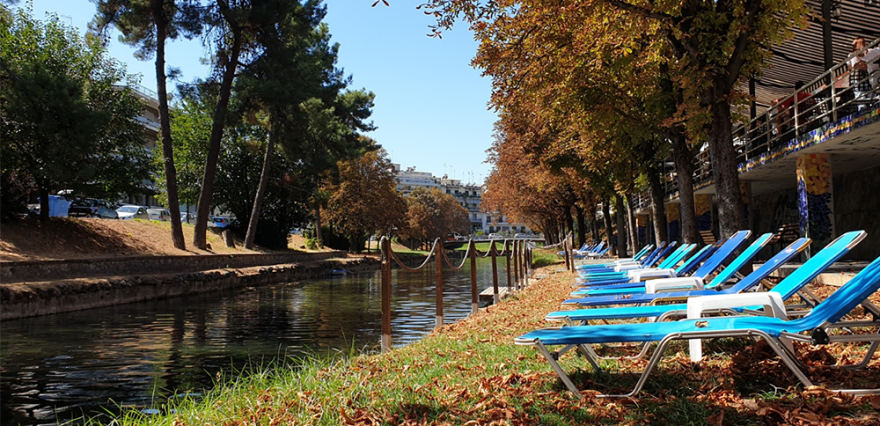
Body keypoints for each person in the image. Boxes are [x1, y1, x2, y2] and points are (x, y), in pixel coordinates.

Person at [848, 37, 880, 103]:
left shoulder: (871, 52)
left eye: (857, 46)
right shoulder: (852, 55)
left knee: (872, 98)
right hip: (859, 80)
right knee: (861, 100)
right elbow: (854, 67)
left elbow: (863, 66)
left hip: (871, 78)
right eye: (854, 46)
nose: (856, 48)